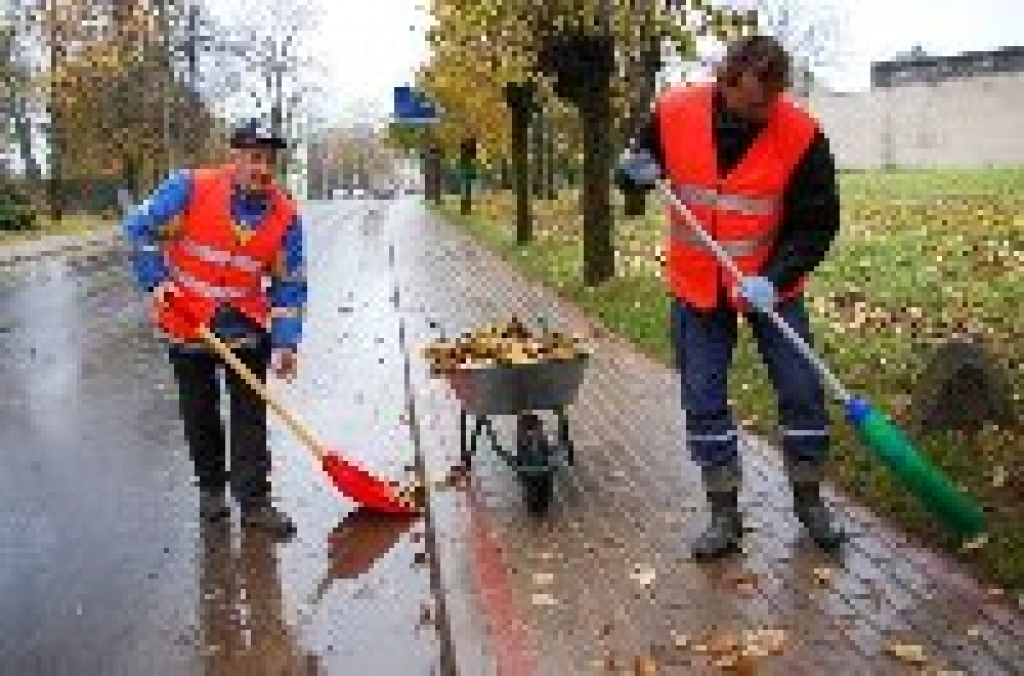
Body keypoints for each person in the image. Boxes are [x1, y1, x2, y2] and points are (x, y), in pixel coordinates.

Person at [616, 35, 846, 559]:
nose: (760, 115)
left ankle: (809, 501)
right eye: (749, 104)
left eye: (770, 103)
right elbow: (635, 168)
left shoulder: (802, 134)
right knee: (702, 397)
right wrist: (630, 175)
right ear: (725, 83)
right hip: (699, 284)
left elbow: (817, 223)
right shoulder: (674, 112)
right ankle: (724, 514)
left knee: (801, 388)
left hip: (772, 285)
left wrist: (777, 275)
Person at [123, 119, 307, 540]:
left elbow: (290, 283)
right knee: (200, 413)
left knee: (249, 415)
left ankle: (255, 502)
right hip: (188, 323)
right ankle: (211, 491)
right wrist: (157, 281)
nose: (263, 168)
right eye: (254, 158)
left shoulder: (286, 215)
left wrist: (286, 343)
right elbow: (138, 227)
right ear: (236, 157)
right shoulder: (190, 187)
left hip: (244, 325)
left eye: (269, 160)